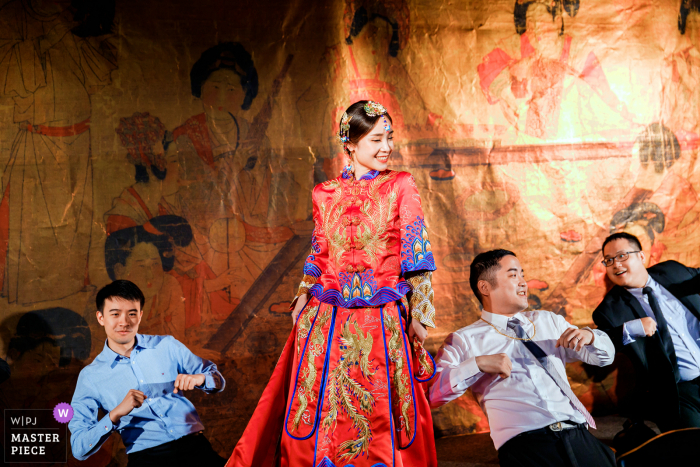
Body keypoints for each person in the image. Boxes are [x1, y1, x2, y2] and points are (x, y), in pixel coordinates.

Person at [226, 100, 438, 466]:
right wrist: (302, 295)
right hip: (328, 319)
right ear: (350, 145)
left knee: (381, 409)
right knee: (323, 406)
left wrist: (420, 311)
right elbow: (319, 251)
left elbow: (417, 249)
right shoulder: (324, 193)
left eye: (389, 137)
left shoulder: (400, 184)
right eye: (376, 139)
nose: (386, 147)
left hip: (381, 318)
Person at [430, 249, 616, 467]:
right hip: (525, 445)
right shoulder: (464, 339)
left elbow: (604, 358)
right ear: (485, 287)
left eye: (523, 275)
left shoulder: (548, 321)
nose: (523, 283)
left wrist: (591, 336)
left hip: (578, 434)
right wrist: (477, 364)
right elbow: (433, 394)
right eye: (513, 275)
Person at [69, 280, 227, 466]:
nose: (124, 322)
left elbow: (217, 380)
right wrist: (116, 414)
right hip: (148, 458)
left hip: (196, 448)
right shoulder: (90, 377)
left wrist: (200, 378)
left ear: (141, 315)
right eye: (115, 314)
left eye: (132, 314)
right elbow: (79, 448)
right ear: (101, 317)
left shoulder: (166, 345)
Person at [592, 232, 700, 431]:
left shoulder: (672, 271)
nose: (616, 264)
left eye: (622, 256)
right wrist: (631, 329)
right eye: (609, 260)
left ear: (641, 257)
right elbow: (602, 344)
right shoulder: (610, 310)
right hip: (678, 393)